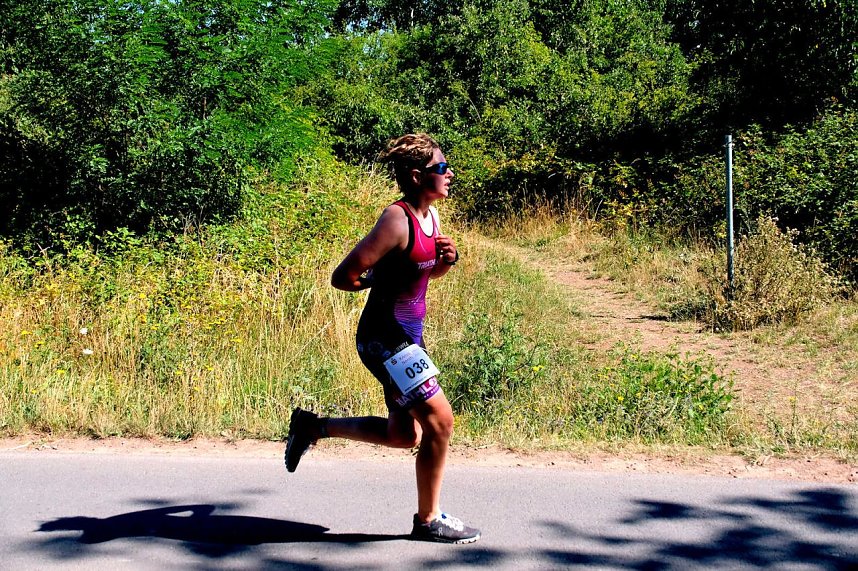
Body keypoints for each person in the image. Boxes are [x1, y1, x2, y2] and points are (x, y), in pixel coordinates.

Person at [283, 133, 480, 544]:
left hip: (409, 339)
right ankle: (428, 520)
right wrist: (377, 277)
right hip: (385, 338)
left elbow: (421, 275)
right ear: (417, 175)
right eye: (442, 168)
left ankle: (313, 427)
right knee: (440, 421)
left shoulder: (431, 216)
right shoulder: (397, 219)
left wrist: (447, 261)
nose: (450, 174)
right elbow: (344, 277)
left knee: (404, 435)